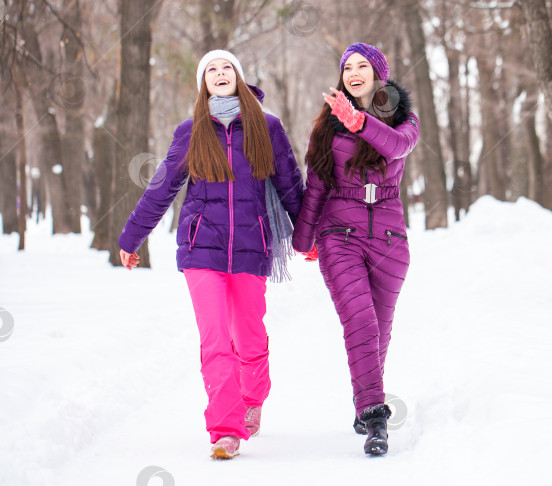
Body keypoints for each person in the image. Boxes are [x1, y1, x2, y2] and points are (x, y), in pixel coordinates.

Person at [118, 50, 304, 460]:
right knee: (215, 339)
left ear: (238, 76)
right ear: (204, 83)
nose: (219, 74)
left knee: (250, 336)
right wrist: (132, 238)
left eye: (226, 68)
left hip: (253, 247)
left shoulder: (267, 127)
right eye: (211, 70)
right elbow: (162, 189)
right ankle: (225, 429)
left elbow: (290, 184)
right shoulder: (191, 131)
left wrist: (306, 238)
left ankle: (252, 398)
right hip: (201, 248)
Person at [292, 43, 419, 456]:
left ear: (378, 74)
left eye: (363, 65)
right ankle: (376, 417)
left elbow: (398, 147)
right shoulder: (328, 126)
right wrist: (304, 238)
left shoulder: (403, 119)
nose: (354, 72)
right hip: (339, 235)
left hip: (389, 239)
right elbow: (317, 183)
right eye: (348, 67)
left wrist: (360, 121)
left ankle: (363, 399)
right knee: (361, 322)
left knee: (379, 331)